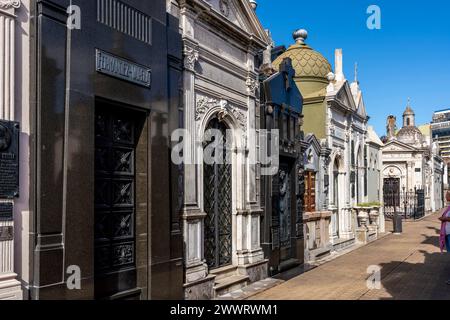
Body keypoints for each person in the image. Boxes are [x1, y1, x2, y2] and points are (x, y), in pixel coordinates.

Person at [439, 191, 450, 285]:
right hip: (447, 233)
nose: (445, 196)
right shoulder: (449, 207)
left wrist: (444, 219)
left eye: (447, 194)